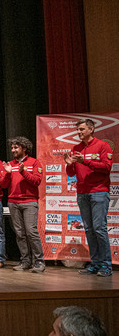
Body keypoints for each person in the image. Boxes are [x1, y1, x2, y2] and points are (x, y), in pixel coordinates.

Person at [64, 119, 113, 277]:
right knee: (89, 230)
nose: (79, 132)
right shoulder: (76, 148)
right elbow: (71, 173)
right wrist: (69, 164)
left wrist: (85, 160)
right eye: (77, 130)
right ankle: (95, 263)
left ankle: (106, 265)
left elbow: (106, 168)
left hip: (99, 191)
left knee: (99, 228)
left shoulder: (102, 145)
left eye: (82, 129)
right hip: (82, 192)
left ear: (91, 130)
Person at [3, 136, 44, 273]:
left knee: (31, 232)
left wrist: (23, 172)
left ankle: (39, 262)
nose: (13, 150)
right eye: (12, 147)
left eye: (16, 147)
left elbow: (37, 181)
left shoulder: (34, 162)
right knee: (20, 233)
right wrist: (8, 174)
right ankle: (25, 261)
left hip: (29, 202)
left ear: (24, 148)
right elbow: (4, 184)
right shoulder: (10, 164)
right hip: (13, 202)